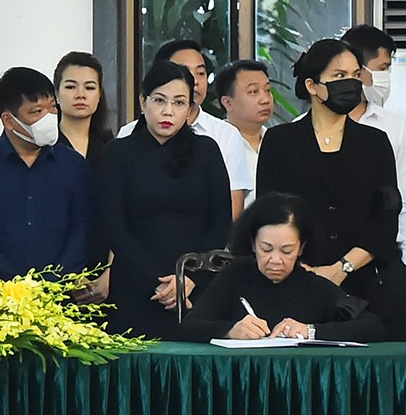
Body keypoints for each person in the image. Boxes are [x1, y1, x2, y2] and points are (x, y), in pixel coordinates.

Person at [253, 38, 406, 340]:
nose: (350, 85)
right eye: (339, 77)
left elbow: (387, 217)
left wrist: (342, 267)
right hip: (301, 280)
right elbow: (269, 214)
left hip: (371, 278)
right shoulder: (279, 141)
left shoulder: (375, 143)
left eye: (354, 76)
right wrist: (304, 268)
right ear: (312, 85)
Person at [93, 59, 233, 338]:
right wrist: (157, 283)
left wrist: (189, 280)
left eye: (179, 103)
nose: (168, 111)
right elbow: (113, 227)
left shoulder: (207, 151)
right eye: (160, 100)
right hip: (134, 287)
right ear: (143, 102)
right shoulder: (118, 153)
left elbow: (221, 223)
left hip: (196, 289)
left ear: (190, 109)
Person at [177, 193, 387, 343]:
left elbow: (373, 327)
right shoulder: (235, 276)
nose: (275, 260)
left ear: (301, 248)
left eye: (286, 251)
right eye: (266, 249)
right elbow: (188, 327)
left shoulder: (314, 286)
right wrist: (230, 330)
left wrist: (310, 331)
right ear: (252, 243)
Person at [0, 66, 93, 278]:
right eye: (36, 112)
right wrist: (16, 283)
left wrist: (54, 280)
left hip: (61, 294)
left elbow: (82, 231)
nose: (48, 117)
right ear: (9, 120)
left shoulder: (73, 164)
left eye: (52, 108)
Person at [118, 40, 254, 217]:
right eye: (183, 71)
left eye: (201, 73)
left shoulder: (225, 135)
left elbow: (231, 212)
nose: (195, 81)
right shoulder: (128, 135)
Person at [341, 24, 406, 269]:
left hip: (382, 259)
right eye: (382, 68)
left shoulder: (393, 126)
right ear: (357, 69)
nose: (385, 78)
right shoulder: (301, 128)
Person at [54, 52, 114, 163]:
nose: (80, 95)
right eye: (71, 87)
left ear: (99, 94)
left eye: (89, 87)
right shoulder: (44, 145)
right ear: (56, 93)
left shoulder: (110, 146)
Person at [215, 58, 273, 167]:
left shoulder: (278, 142)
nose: (265, 100)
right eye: (253, 91)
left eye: (268, 90)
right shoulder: (216, 144)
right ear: (227, 103)